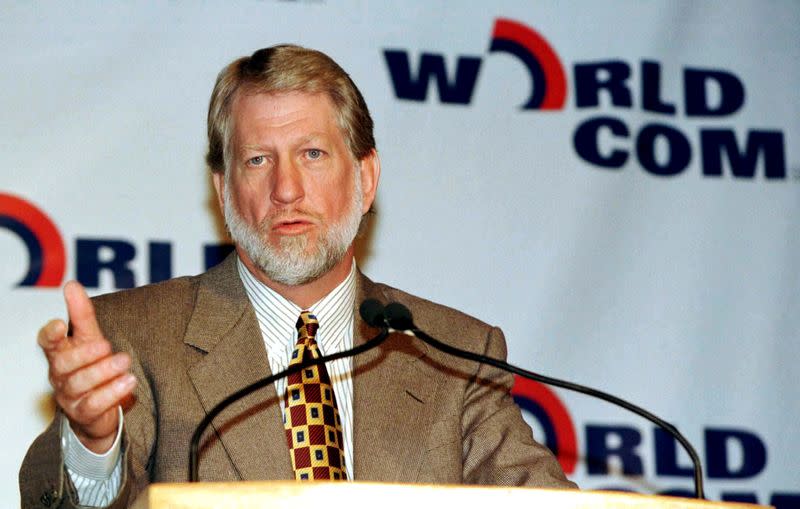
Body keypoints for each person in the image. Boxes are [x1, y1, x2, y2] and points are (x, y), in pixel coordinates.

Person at [20, 45, 576, 508]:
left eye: (312, 154)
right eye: (258, 160)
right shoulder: (136, 335)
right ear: (222, 191)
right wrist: (94, 444)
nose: (286, 190)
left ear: (366, 177)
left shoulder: (454, 354)